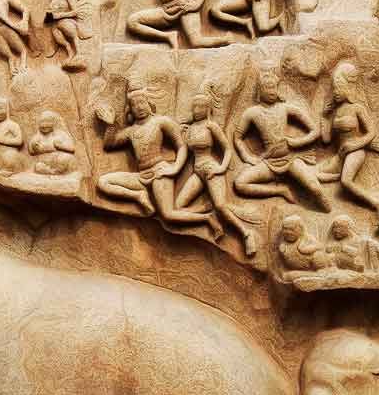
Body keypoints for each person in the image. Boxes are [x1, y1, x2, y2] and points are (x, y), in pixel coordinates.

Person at [97, 87, 219, 232]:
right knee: (103, 182)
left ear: (149, 103)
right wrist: (110, 125)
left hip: (159, 173)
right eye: (134, 105)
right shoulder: (131, 131)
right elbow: (110, 144)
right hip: (141, 176)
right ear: (130, 109)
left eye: (142, 102)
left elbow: (181, 145)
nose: (139, 107)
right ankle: (139, 196)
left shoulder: (161, 122)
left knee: (168, 215)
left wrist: (175, 168)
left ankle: (207, 218)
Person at [175, 86, 260, 255]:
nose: (196, 110)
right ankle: (209, 214)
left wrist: (221, 168)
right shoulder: (190, 129)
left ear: (207, 109)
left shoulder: (211, 126)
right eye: (194, 106)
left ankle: (246, 234)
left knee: (221, 205)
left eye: (200, 107)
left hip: (211, 168)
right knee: (178, 207)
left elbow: (227, 149)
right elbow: (183, 153)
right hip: (197, 172)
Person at [233, 68, 329, 210]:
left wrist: (297, 142)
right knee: (240, 184)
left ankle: (327, 211)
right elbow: (237, 137)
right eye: (268, 88)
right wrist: (247, 157)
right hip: (269, 162)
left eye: (274, 87)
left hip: (291, 158)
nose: (272, 91)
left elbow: (315, 131)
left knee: (315, 188)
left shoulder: (286, 108)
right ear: (260, 90)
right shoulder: (252, 113)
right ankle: (280, 191)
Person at [319, 62, 379, 216]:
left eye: (339, 87)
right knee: (315, 174)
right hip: (340, 154)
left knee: (346, 181)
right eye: (334, 88)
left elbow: (372, 132)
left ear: (349, 88)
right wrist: (325, 118)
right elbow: (326, 140)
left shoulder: (357, 108)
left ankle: (376, 204)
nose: (335, 92)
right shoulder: (336, 112)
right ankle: (335, 176)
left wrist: (354, 145)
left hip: (356, 151)